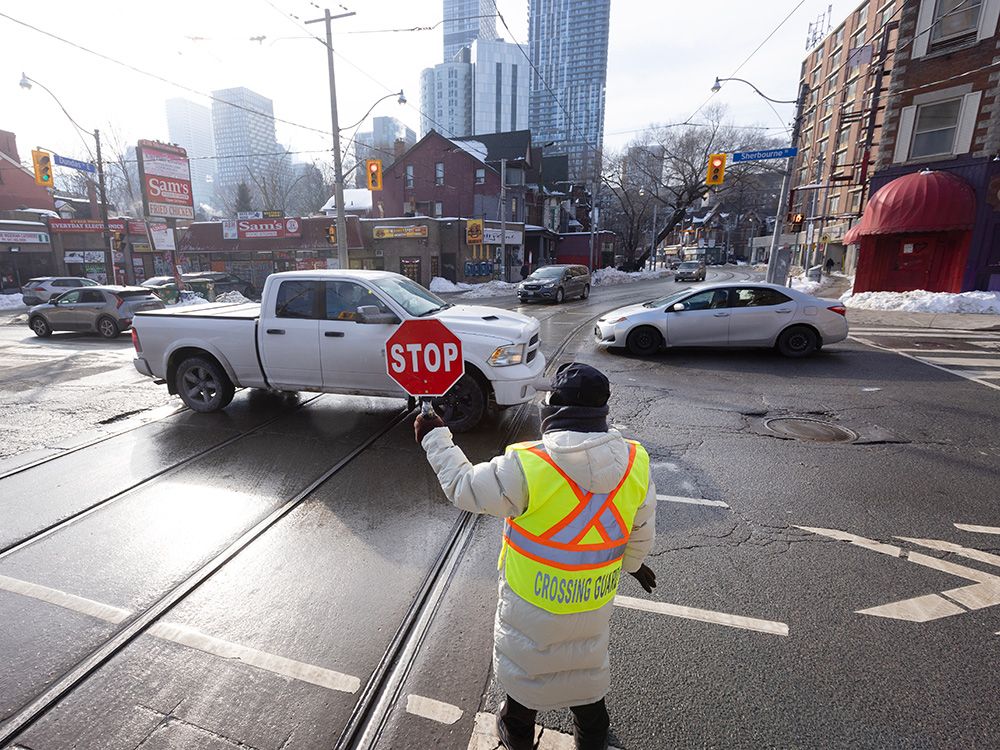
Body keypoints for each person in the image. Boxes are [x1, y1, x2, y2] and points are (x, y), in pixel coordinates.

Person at [414, 363, 657, 750]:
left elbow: (463, 487)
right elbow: (639, 529)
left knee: (524, 689)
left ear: (554, 409)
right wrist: (633, 564)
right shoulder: (634, 462)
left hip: (530, 606)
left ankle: (517, 739)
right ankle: (592, 740)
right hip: (592, 602)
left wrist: (435, 438)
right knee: (586, 674)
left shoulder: (528, 465)